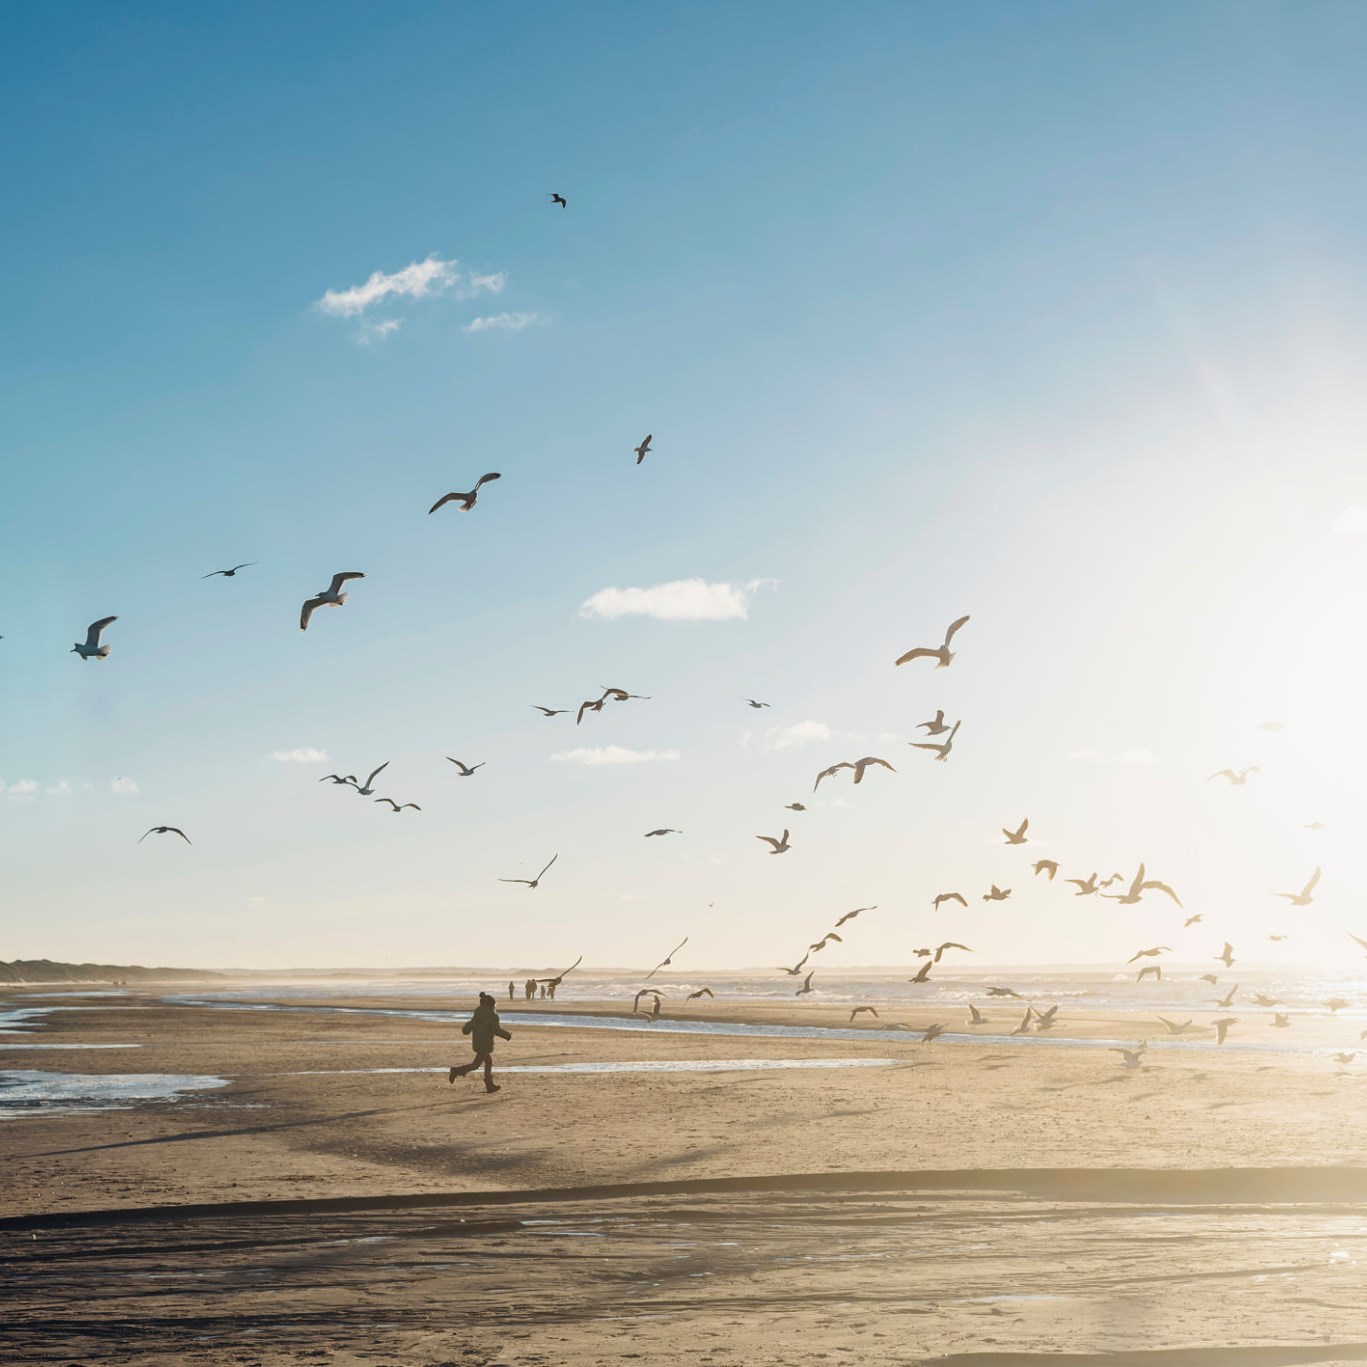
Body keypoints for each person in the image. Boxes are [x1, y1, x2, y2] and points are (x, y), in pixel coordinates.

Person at [449, 992, 511, 1094]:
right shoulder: (493, 1016)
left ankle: (489, 1084)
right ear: (492, 1004)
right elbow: (496, 1030)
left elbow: (470, 1026)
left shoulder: (478, 1014)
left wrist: (466, 1029)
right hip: (485, 1044)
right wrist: (507, 1035)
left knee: (488, 1061)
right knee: (476, 1065)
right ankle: (456, 1071)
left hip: (477, 1042)